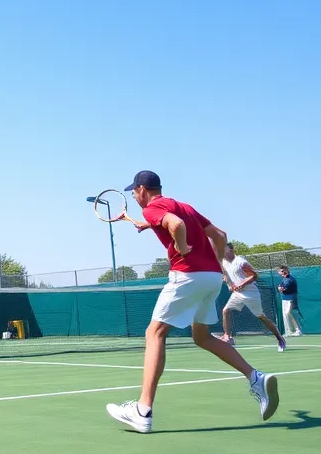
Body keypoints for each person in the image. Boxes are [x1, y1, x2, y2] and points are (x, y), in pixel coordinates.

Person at [105, 171, 278, 434]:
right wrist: (216, 265)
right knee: (202, 337)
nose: (134, 196)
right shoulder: (182, 206)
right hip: (211, 278)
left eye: (133, 192)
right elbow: (220, 235)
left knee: (154, 333)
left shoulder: (153, 208)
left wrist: (181, 246)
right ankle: (256, 378)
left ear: (141, 189)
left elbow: (176, 225)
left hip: (186, 275)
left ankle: (142, 411)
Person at [219, 243, 286, 352]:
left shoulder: (241, 262)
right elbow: (225, 274)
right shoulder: (224, 262)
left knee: (261, 316)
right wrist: (230, 285)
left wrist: (241, 284)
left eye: (224, 250)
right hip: (237, 294)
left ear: (231, 250)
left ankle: (280, 338)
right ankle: (227, 337)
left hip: (250, 294)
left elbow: (254, 275)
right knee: (226, 311)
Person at [276, 267, 302, 337]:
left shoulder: (291, 280)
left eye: (283, 272)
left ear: (286, 271)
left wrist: (281, 289)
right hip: (284, 299)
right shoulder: (284, 280)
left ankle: (297, 330)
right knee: (285, 315)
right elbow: (279, 287)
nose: (282, 274)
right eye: (281, 273)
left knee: (288, 313)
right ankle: (288, 331)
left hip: (291, 299)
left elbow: (284, 289)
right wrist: (280, 288)